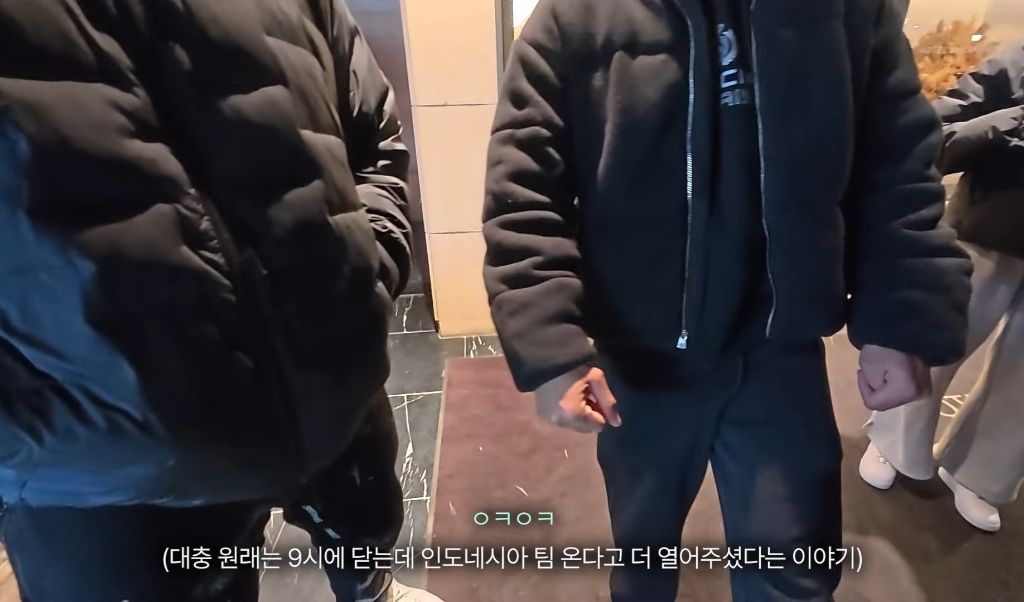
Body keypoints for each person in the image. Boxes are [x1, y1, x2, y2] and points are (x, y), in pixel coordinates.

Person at [483, 0, 971, 600]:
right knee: (641, 558)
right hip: (640, 356)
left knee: (795, 572)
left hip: (780, 347)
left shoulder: (848, 10)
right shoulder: (575, 14)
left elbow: (897, 165)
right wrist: (549, 345)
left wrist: (899, 316)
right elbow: (524, 190)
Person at [0, 2, 440, 601]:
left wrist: (363, 275)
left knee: (364, 545)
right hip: (105, 467)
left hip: (330, 379)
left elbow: (369, 131)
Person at [860, 42, 1024, 533]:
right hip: (992, 223)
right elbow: (937, 128)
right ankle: (893, 441)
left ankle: (981, 473)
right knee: (940, 341)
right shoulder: (1019, 59)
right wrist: (1013, 122)